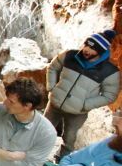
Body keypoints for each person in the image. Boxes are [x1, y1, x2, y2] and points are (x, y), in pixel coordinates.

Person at [45, 29, 119, 159]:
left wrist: (85, 104)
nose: (86, 50)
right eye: (86, 45)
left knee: (69, 137)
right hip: (55, 103)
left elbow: (109, 95)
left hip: (77, 112)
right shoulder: (69, 55)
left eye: (92, 48)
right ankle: (37, 155)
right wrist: (52, 87)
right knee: (43, 130)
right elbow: (53, 67)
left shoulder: (109, 71)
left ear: (100, 52)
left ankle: (62, 160)